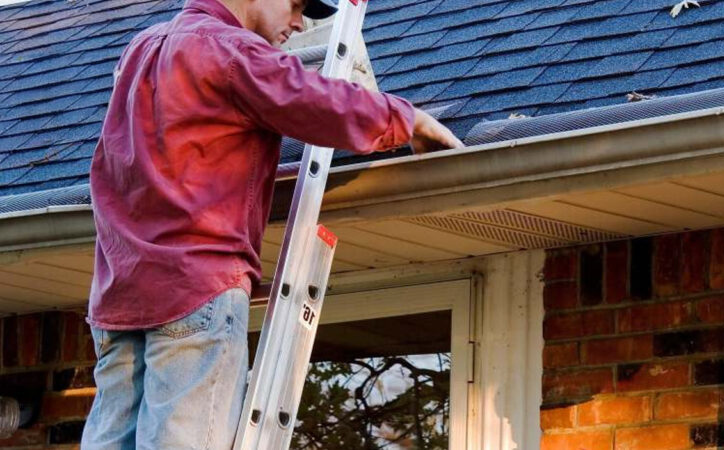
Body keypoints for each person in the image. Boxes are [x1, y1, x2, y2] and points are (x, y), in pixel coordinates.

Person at [80, 0, 463, 446]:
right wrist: (409, 119)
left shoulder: (140, 50)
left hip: (118, 297)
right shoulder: (229, 51)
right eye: (296, 5)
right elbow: (313, 101)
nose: (299, 24)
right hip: (196, 287)